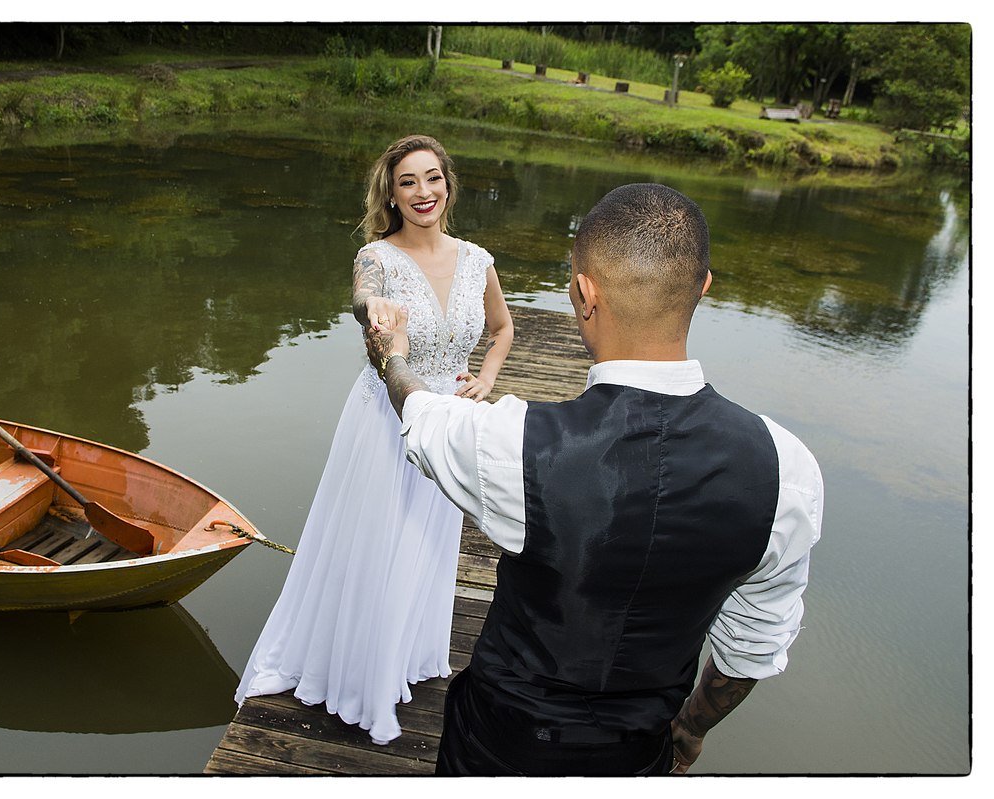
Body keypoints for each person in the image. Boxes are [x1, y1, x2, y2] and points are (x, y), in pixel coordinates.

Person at [365, 183, 823, 775]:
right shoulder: (788, 470)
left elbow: (425, 421)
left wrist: (392, 358)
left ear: (583, 293)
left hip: (499, 747)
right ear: (704, 288)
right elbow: (752, 647)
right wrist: (689, 731)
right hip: (639, 756)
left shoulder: (515, 444)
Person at [235, 134, 514, 745]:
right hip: (385, 420)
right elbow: (364, 298)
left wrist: (487, 378)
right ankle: (359, 674)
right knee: (377, 538)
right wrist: (375, 311)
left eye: (433, 178)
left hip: (448, 418)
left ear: (448, 184)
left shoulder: (477, 259)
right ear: (390, 192)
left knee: (425, 542)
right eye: (408, 181)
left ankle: (406, 656)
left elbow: (501, 327)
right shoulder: (376, 258)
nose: (423, 192)